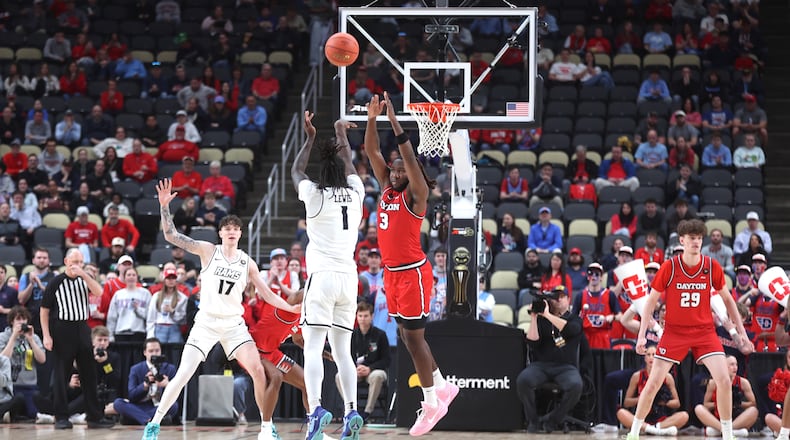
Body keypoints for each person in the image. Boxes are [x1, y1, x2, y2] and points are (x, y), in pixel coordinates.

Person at [141, 179, 300, 440]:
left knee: (258, 371)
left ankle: (265, 428)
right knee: (183, 375)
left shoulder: (246, 261)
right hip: (206, 322)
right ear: (220, 233)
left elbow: (267, 293)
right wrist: (164, 207)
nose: (232, 231)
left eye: (236, 228)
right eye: (227, 228)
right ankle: (154, 423)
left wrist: (290, 307)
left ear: (240, 234)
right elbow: (171, 236)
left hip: (233, 325)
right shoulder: (208, 251)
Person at [365, 93, 459, 436]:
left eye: (401, 169)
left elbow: (406, 156)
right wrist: (373, 119)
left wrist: (393, 120)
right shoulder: (387, 190)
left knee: (416, 339)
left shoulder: (414, 194)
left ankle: (432, 401)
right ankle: (443, 386)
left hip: (414, 275)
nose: (394, 173)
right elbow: (372, 153)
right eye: (393, 170)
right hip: (392, 275)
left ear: (412, 172)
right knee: (406, 336)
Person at [625, 219, 751, 440]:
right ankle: (634, 432)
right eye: (692, 238)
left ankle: (728, 435)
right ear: (681, 240)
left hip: (704, 331)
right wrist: (642, 336)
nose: (696, 242)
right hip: (674, 331)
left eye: (699, 238)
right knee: (654, 382)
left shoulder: (711, 266)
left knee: (723, 379)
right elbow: (650, 304)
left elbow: (729, 301)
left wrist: (742, 334)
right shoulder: (670, 267)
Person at [291, 110, 365, 440]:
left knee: (312, 347)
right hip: (349, 279)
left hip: (321, 278)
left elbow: (295, 170)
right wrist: (340, 133)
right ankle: (351, 411)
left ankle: (317, 409)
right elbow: (349, 162)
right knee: (343, 352)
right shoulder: (357, 193)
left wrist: (310, 137)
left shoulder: (314, 196)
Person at [40, 249, 115, 430]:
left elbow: (99, 292)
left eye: (80, 262)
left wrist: (84, 274)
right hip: (62, 329)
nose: (77, 265)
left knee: (89, 374)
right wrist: (46, 335)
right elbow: (44, 310)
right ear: (66, 261)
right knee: (61, 375)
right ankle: (61, 417)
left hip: (82, 327)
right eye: (74, 261)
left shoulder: (84, 279)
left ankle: (94, 417)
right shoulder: (56, 282)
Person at [517, 285, 583, 433]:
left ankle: (552, 420)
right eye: (554, 297)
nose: (557, 300)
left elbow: (571, 330)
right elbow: (533, 343)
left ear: (568, 299)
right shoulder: (542, 319)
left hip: (566, 367)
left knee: (576, 385)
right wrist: (534, 317)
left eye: (561, 297)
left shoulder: (574, 319)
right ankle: (533, 421)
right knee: (523, 380)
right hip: (541, 366)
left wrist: (547, 315)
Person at [617, 345, 689, 435]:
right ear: (644, 358)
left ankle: (654, 428)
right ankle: (653, 430)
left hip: (661, 419)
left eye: (654, 355)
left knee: (684, 416)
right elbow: (626, 402)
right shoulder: (637, 376)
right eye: (648, 354)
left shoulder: (667, 377)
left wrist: (663, 401)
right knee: (621, 413)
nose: (651, 357)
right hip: (641, 417)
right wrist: (644, 398)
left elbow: (676, 403)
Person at [338, 302, 391, 422]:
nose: (362, 319)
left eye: (366, 316)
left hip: (373, 370)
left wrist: (370, 368)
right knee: (339, 376)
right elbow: (347, 356)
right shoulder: (351, 335)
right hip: (355, 371)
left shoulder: (380, 335)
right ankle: (351, 408)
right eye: (360, 316)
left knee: (378, 376)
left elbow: (386, 360)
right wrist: (353, 369)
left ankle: (367, 412)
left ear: (372, 316)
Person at [113, 338, 178, 425]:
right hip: (140, 405)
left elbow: (177, 393)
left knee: (173, 405)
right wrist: (145, 385)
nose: (154, 354)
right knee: (118, 403)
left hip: (159, 406)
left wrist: (167, 385)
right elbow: (131, 395)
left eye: (157, 350)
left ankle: (136, 419)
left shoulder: (170, 368)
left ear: (161, 351)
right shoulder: (136, 369)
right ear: (145, 352)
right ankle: (149, 420)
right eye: (151, 351)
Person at [0, 306, 46, 421]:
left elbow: (42, 359)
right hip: (10, 387)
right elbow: (2, 359)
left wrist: (30, 340)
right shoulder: (3, 337)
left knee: (32, 414)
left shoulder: (33, 337)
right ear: (12, 321)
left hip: (29, 384)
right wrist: (13, 337)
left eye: (24, 319)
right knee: (16, 408)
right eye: (18, 319)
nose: (21, 322)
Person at [694, 355, 757, 437]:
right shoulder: (713, 382)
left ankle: (722, 430)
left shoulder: (743, 382)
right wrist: (720, 403)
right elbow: (706, 405)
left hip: (736, 419)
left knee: (754, 411)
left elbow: (753, 403)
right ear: (724, 367)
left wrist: (737, 403)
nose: (735, 367)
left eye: (736, 364)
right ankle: (729, 431)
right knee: (698, 408)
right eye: (731, 365)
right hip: (718, 418)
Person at [573, 262, 619, 349]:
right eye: (590, 273)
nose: (593, 276)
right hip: (586, 335)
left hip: (603, 336)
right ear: (587, 276)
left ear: (601, 277)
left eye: (597, 274)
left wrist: (612, 317)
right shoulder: (581, 295)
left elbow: (620, 316)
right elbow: (573, 316)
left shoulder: (609, 294)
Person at [145, 269, 187, 344]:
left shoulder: (182, 297)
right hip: (159, 327)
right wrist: (150, 335)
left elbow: (183, 319)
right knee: (160, 353)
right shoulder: (156, 296)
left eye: (173, 278)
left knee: (175, 353)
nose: (171, 281)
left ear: (176, 280)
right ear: (164, 280)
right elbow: (151, 317)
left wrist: (172, 311)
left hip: (174, 328)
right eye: (168, 278)